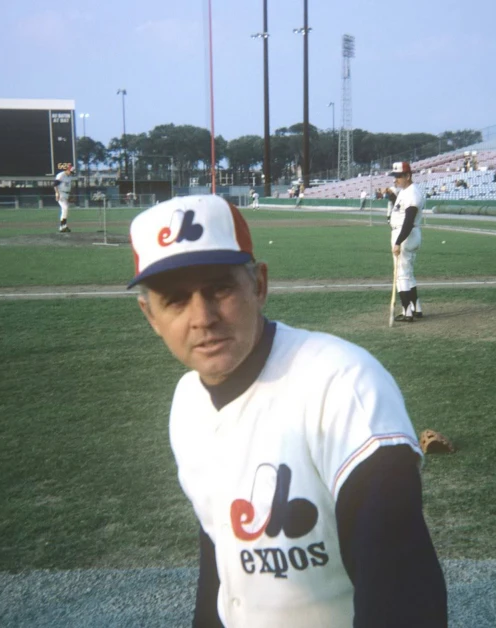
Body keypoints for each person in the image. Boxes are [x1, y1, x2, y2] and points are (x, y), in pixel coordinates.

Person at [128, 195, 447, 628]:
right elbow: (220, 559)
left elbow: (403, 597)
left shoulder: (343, 386)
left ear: (259, 285)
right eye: (176, 300)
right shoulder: (187, 402)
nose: (202, 317)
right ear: (150, 315)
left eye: (219, 288)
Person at [388, 162, 425, 322]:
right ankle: (416, 307)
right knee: (408, 273)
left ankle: (406, 311)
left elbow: (408, 220)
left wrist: (398, 242)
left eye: (399, 177)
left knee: (401, 275)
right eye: (395, 177)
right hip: (408, 234)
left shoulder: (412, 193)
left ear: (408, 176)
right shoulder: (406, 191)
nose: (395, 180)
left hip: (405, 234)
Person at [53, 163, 74, 233]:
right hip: (61, 193)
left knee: (65, 210)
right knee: (65, 208)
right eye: (71, 171)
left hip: (66, 194)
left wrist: (70, 196)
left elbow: (69, 187)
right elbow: (55, 184)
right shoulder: (61, 175)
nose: (71, 173)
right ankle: (62, 226)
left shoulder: (69, 177)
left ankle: (63, 226)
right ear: (67, 170)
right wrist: (56, 193)